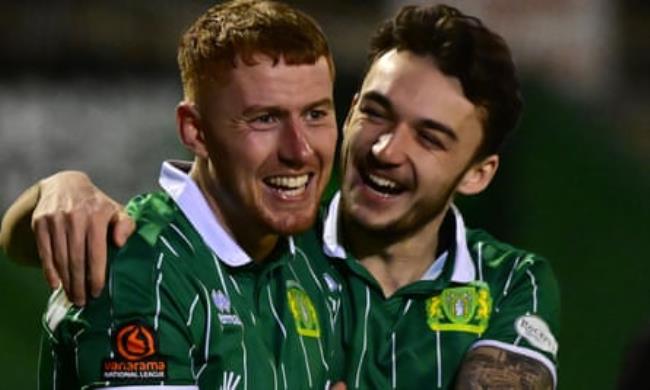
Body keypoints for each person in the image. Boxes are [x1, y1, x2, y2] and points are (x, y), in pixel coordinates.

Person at [1, 3, 560, 389]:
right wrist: (55, 190)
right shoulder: (275, 243)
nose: (387, 149)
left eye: (430, 137)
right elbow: (94, 247)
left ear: (479, 174)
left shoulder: (510, 282)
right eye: (375, 112)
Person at [3, 0, 347, 388]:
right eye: (264, 119)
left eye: (316, 114)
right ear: (194, 131)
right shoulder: (139, 271)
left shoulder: (318, 257)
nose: (300, 150)